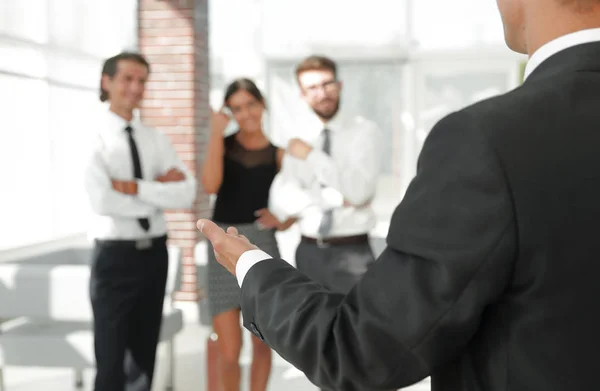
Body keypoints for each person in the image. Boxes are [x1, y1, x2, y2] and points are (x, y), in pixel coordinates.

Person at [197, 0, 600, 390]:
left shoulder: (484, 138)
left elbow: (360, 350)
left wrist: (249, 263)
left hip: (349, 253)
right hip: (309, 249)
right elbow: (286, 193)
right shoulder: (295, 142)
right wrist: (313, 199)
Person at [84, 52, 196, 391]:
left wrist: (134, 188)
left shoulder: (155, 139)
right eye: (127, 79)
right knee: (111, 358)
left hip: (154, 256)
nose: (136, 87)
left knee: (144, 357)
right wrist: (158, 190)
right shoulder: (92, 136)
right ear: (107, 82)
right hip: (114, 257)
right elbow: (101, 200)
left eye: (142, 81)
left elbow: (186, 193)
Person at [201, 78, 295, 391]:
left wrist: (283, 220)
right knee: (229, 350)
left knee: (262, 343)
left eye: (250, 104)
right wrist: (216, 132)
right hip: (222, 245)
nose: (245, 113)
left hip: (261, 244)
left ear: (262, 104)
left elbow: (301, 197)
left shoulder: (279, 154)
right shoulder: (222, 145)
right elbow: (210, 186)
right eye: (236, 108)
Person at [269, 55, 382, 295]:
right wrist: (336, 199)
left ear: (339, 85)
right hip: (308, 252)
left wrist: (312, 155)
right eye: (312, 87)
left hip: (353, 253)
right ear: (302, 94)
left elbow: (360, 191)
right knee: (313, 330)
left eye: (327, 84)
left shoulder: (364, 132)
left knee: (357, 330)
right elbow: (282, 198)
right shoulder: (297, 137)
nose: (322, 93)